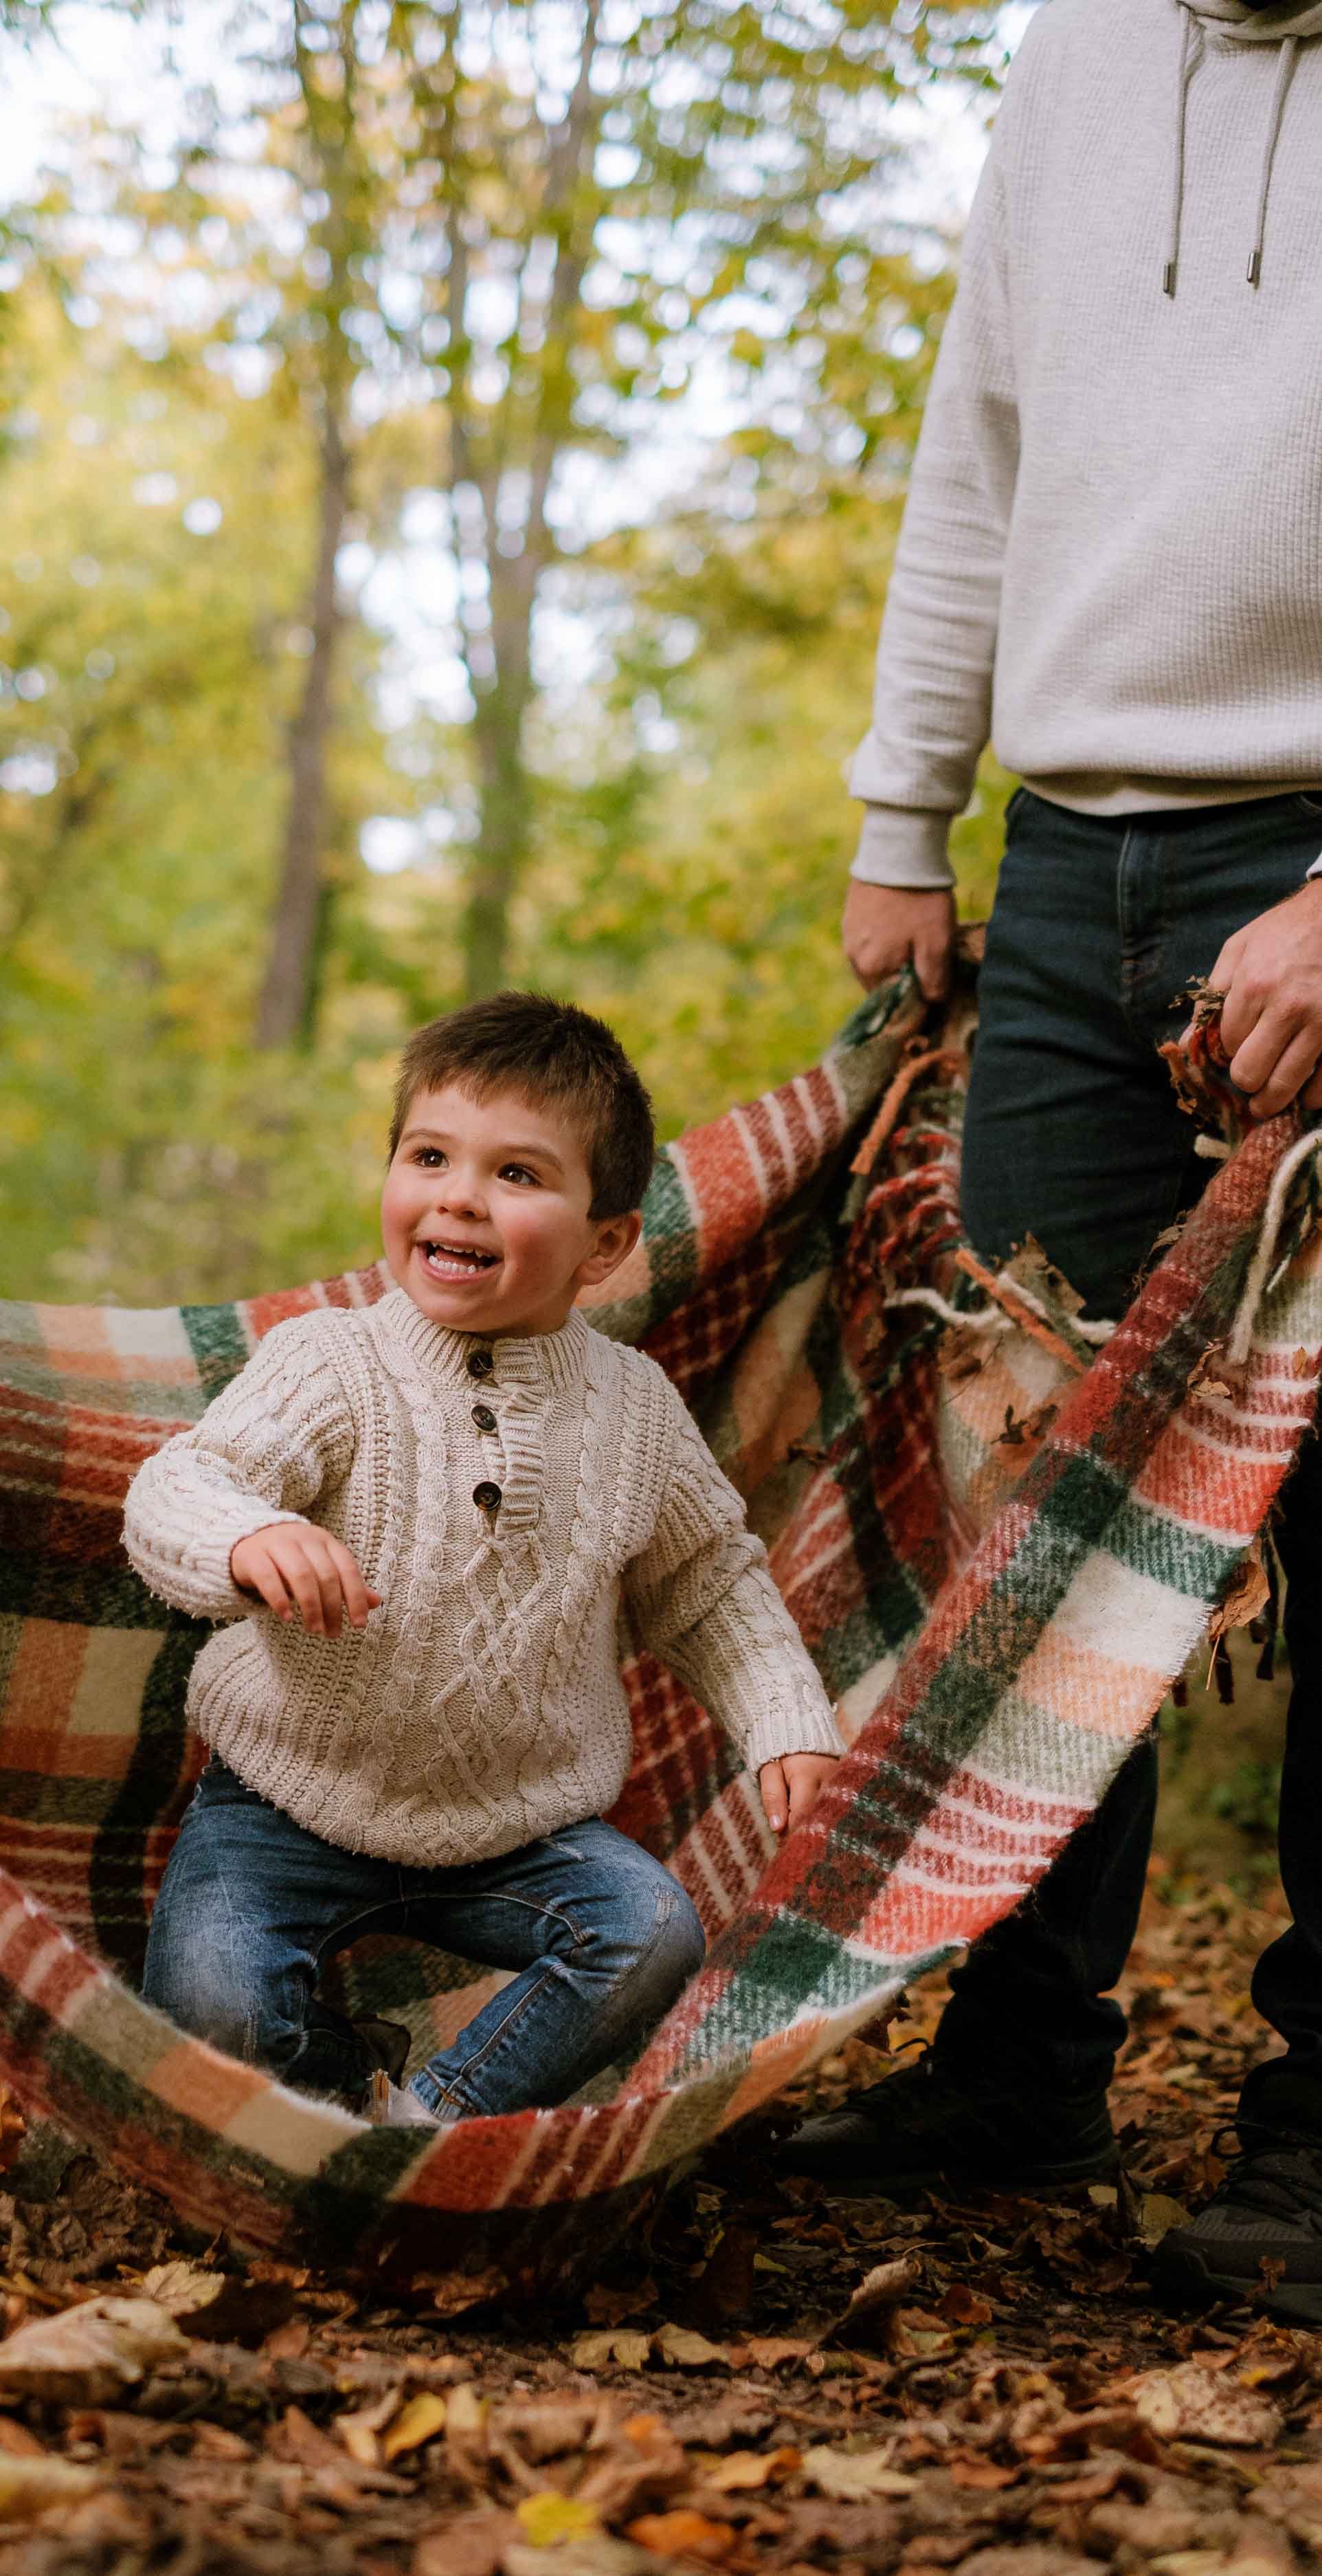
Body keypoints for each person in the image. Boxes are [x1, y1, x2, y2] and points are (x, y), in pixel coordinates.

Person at [774, 0, 1322, 2316]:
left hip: (1308, 869)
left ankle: (1314, 2139)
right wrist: (910, 815)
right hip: (1067, 863)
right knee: (1039, 1494)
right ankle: (1019, 2058)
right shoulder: (1074, 50)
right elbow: (977, 446)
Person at [124, 992, 842, 2125]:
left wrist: (787, 1720)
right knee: (216, 2008)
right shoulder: (331, 1360)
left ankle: (430, 2130)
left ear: (605, 1243)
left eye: (517, 1174)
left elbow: (711, 1586)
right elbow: (182, 1484)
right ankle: (335, 2098)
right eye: (430, 1156)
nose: (459, 1194)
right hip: (284, 1800)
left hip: (520, 1825)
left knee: (654, 1933)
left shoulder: (635, 1410)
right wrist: (248, 1534)